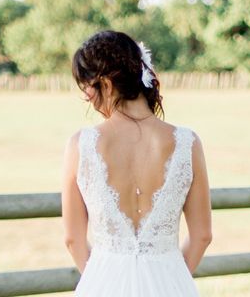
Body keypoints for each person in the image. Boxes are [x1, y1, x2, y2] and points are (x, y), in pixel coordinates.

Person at [61, 30, 213, 296]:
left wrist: (105, 278)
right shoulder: (188, 143)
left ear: (105, 85)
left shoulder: (80, 145)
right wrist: (169, 278)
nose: (88, 98)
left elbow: (73, 239)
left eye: (87, 88)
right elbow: (202, 235)